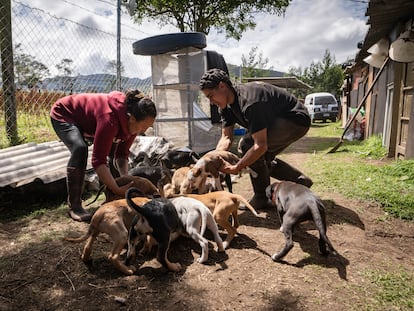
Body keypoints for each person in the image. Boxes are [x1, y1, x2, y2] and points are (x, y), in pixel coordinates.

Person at [199, 68, 313, 209]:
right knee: (259, 158)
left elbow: (260, 145)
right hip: (276, 121)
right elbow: (226, 137)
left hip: (295, 120)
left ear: (222, 86)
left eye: (211, 96)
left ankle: (261, 197)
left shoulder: (249, 100)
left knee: (248, 146)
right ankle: (300, 181)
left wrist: (237, 167)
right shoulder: (225, 107)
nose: (211, 102)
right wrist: (214, 159)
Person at [50, 90, 157, 221]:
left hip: (92, 120)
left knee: (112, 150)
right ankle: (75, 206)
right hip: (65, 113)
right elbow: (98, 161)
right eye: (143, 127)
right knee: (80, 149)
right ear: (132, 118)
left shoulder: (132, 120)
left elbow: (121, 154)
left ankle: (112, 198)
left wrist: (125, 178)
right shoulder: (109, 119)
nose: (143, 131)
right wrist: (117, 188)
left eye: (147, 127)